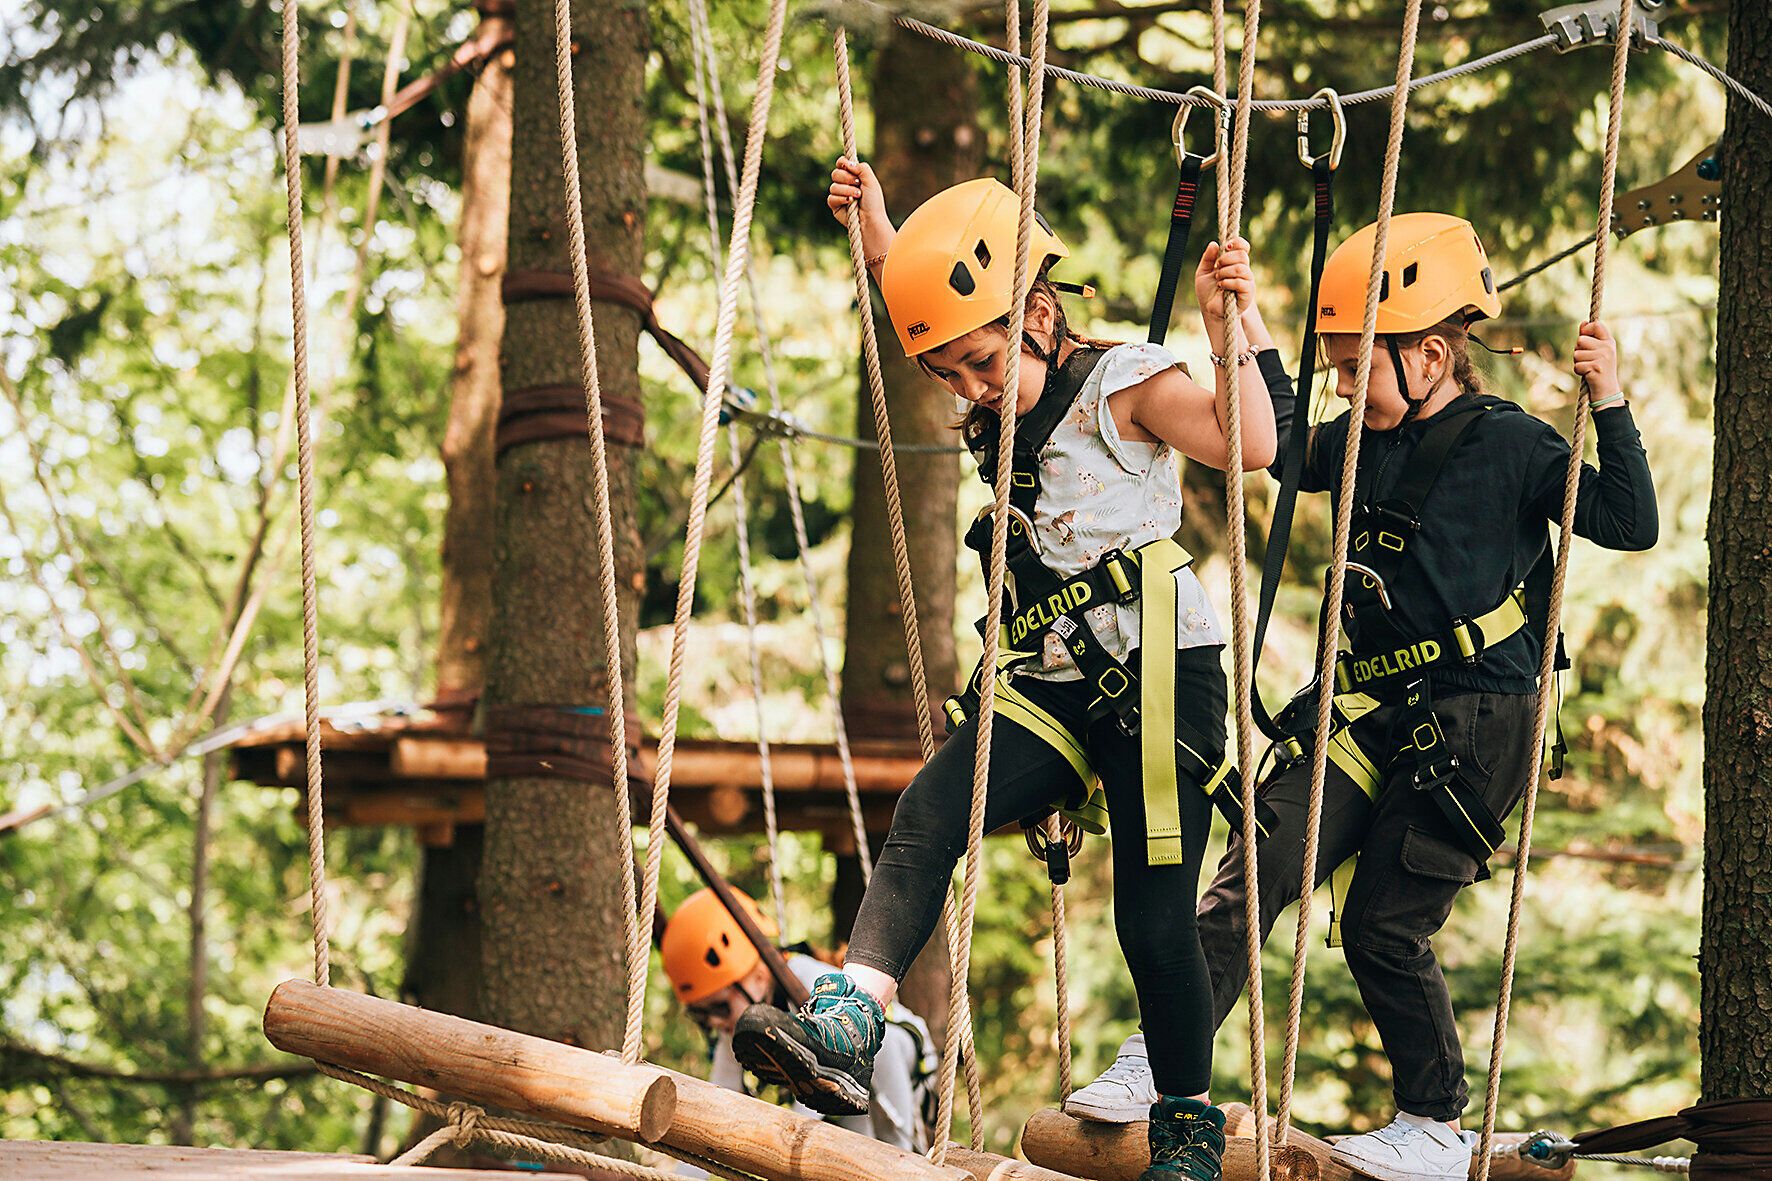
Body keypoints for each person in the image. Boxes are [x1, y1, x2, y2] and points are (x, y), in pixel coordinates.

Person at [1063, 212, 1658, 1181]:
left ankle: (1429, 1118)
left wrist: (1611, 401)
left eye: (1355, 366)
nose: (1343, 384)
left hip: (1475, 718)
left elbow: (1626, 524)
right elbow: (1281, 442)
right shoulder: (1354, 438)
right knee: (1248, 871)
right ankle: (1162, 1063)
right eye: (1335, 367)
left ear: (1429, 354)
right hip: (1364, 707)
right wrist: (1240, 326)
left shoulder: (1513, 446)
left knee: (1385, 925)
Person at [730, 158, 1286, 1181]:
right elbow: (922, 285)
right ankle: (852, 1014)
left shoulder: (1125, 382)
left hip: (1161, 669)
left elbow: (1246, 442)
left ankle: (1188, 1124)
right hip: (1051, 675)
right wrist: (878, 227)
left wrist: (1227, 328)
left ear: (1038, 312)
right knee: (929, 810)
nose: (973, 389)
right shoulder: (991, 376)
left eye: (984, 363)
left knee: (1151, 915)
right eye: (950, 376)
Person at [660, 888, 936, 1155]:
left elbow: (817, 1098)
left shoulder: (804, 977)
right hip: (846, 1088)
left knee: (871, 1135)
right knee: (848, 1131)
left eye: (720, 1007)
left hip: (892, 1058)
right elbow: (714, 1112)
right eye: (701, 1015)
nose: (715, 1022)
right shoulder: (734, 1027)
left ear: (755, 976)